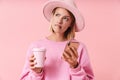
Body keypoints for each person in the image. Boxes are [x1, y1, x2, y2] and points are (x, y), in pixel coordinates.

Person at [20, 0, 94, 80]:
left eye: (65, 18)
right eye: (57, 15)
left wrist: (75, 66)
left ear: (71, 24)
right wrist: (37, 72)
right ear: (52, 17)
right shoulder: (36, 47)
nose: (59, 21)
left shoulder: (78, 48)